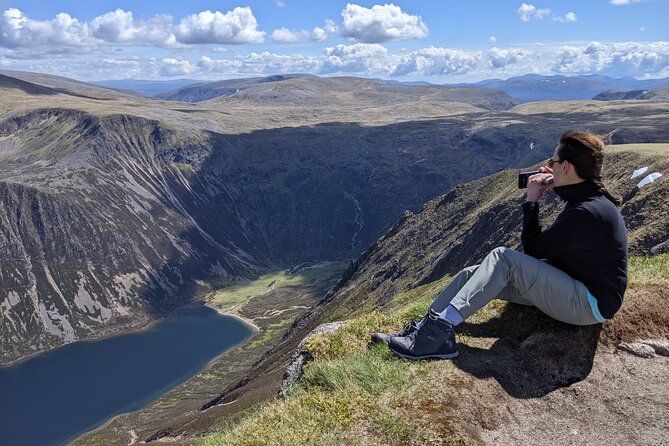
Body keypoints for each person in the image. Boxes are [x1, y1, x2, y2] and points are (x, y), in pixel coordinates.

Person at [373, 130, 628, 360]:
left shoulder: (588, 212)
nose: (549, 166)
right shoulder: (590, 200)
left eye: (553, 162)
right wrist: (555, 183)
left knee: (502, 258)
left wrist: (532, 201)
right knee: (470, 275)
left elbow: (535, 249)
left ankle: (439, 335)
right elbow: (570, 216)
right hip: (573, 288)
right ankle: (424, 331)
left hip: (588, 304)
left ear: (568, 168)